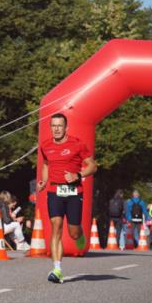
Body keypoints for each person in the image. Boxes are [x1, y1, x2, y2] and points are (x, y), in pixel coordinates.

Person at [37, 113, 97, 283]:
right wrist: (44, 181)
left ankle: (80, 235)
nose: (56, 129)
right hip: (54, 191)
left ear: (66, 128)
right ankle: (57, 269)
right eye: (53, 126)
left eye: (59, 126)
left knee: (73, 232)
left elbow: (93, 166)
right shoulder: (45, 145)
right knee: (56, 226)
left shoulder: (77, 144)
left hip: (73, 192)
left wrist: (78, 175)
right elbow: (46, 165)